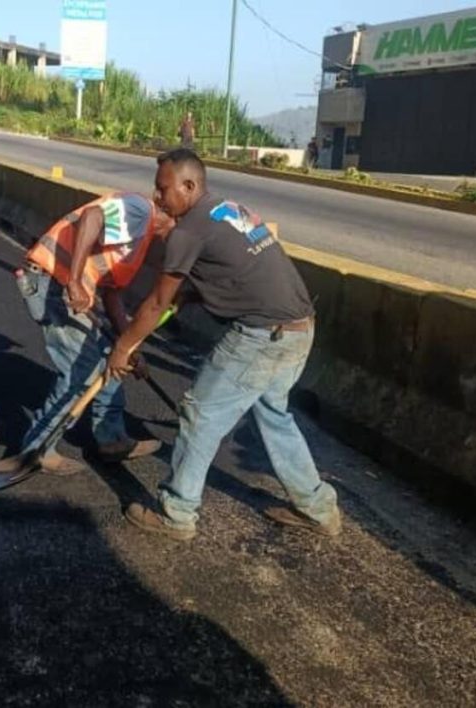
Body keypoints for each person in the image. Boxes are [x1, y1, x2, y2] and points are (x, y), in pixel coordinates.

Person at [106, 149, 341, 540]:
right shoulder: (227, 209)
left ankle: (176, 513)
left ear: (189, 185)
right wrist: (184, 299)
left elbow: (158, 301)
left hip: (263, 336)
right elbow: (231, 275)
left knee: (199, 413)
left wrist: (123, 347)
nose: (157, 197)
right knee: (274, 415)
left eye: (163, 189)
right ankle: (318, 509)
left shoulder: (187, 230)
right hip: (300, 327)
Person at [13, 193, 176, 474]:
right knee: (82, 370)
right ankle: (36, 448)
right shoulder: (140, 211)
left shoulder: (141, 237)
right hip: (54, 284)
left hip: (61, 286)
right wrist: (74, 281)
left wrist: (127, 347)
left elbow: (112, 295)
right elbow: (93, 217)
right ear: (174, 218)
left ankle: (111, 439)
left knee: (108, 355)